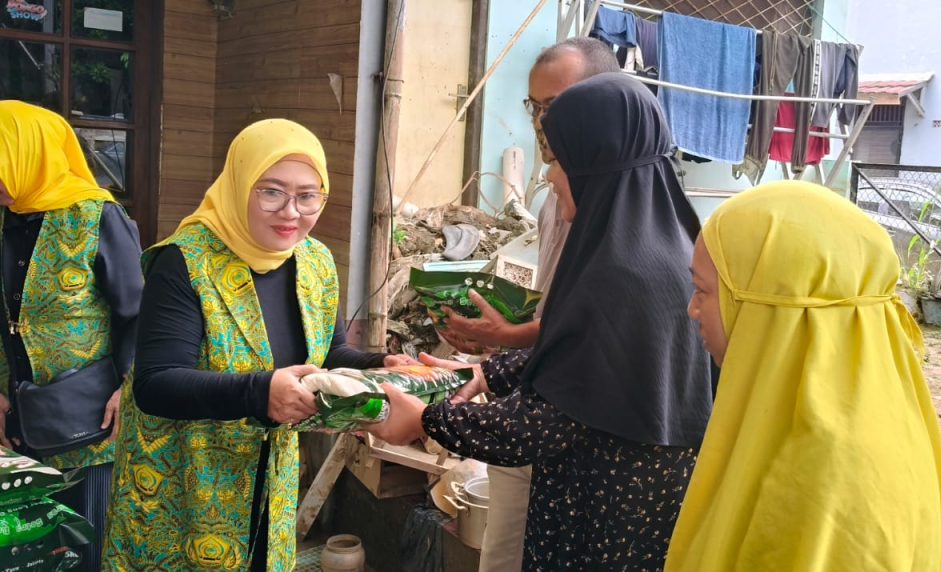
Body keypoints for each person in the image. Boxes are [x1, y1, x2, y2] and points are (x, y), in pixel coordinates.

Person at [371, 73, 714, 569]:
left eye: (559, 162)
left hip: (603, 518)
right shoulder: (663, 246)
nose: (550, 179)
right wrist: (485, 373)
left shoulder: (621, 274)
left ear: (598, 167)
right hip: (640, 504)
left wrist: (425, 419)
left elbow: (542, 426)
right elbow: (587, 359)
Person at [102, 119, 413, 571]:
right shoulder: (185, 262)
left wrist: (377, 363)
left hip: (270, 482)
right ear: (240, 184)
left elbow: (325, 354)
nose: (291, 212)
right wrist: (260, 392)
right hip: (185, 486)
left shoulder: (314, 261)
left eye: (308, 195)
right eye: (271, 191)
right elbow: (156, 383)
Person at [668, 181, 941, 570]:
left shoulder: (825, 482)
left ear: (768, 310)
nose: (692, 309)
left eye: (702, 290)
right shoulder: (853, 415)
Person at [424, 37, 621, 572]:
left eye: (557, 106)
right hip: (535, 395)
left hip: (576, 438)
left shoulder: (627, 223)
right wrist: (496, 351)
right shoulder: (554, 200)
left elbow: (592, 342)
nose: (543, 124)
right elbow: (557, 320)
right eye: (535, 108)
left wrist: (429, 416)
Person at [0, 100, 142, 572]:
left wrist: (130, 384)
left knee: (89, 546)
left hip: (89, 422)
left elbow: (137, 312)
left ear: (27, 155)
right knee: (26, 549)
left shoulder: (96, 218)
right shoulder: (5, 216)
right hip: (17, 424)